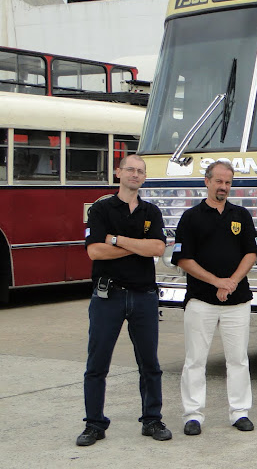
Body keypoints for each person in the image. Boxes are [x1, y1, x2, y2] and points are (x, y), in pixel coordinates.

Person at [77, 154, 172, 446]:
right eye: (129, 169)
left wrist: (117, 240)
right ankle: (94, 424)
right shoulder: (101, 209)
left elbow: (158, 247)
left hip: (144, 296)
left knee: (150, 364)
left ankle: (152, 420)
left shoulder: (151, 211)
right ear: (118, 173)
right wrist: (139, 248)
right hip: (108, 296)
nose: (135, 174)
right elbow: (95, 252)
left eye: (140, 171)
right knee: (97, 364)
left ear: (144, 177)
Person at [171, 160, 257, 435]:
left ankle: (239, 412)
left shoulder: (241, 215)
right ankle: (193, 415)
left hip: (238, 302)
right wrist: (216, 282)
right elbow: (183, 259)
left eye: (228, 182)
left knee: (238, 360)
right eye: (219, 181)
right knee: (195, 360)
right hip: (200, 301)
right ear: (207, 182)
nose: (223, 187)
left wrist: (232, 282)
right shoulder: (191, 217)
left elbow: (251, 253)